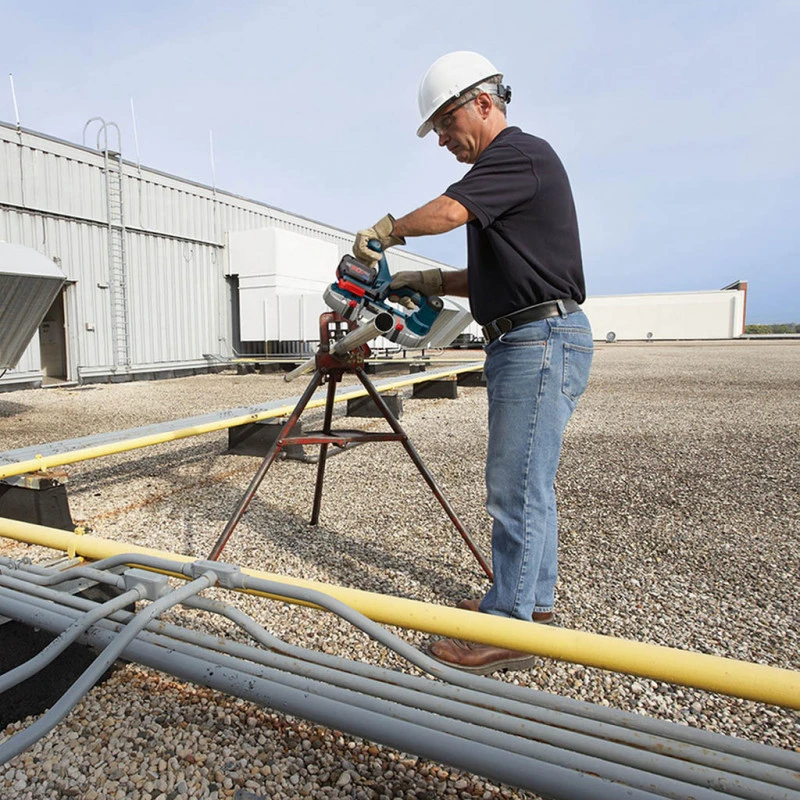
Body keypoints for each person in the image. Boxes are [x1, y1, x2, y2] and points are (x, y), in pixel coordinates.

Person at [353, 51, 593, 674]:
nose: (442, 139)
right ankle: (531, 605)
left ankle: (510, 625)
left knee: (514, 487)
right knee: (529, 483)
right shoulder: (511, 171)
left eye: (445, 123)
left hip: (538, 338)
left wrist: (388, 232)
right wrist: (432, 279)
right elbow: (501, 272)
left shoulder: (514, 155)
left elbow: (448, 211)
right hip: (535, 334)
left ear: (482, 103)